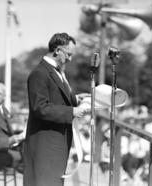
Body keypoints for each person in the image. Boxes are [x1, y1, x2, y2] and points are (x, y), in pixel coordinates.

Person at [23, 32, 90, 186]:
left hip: (56, 142)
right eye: (68, 54)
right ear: (57, 50)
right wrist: (72, 111)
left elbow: (56, 97)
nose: (70, 59)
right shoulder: (39, 74)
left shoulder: (56, 71)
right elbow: (39, 107)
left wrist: (76, 99)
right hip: (45, 145)